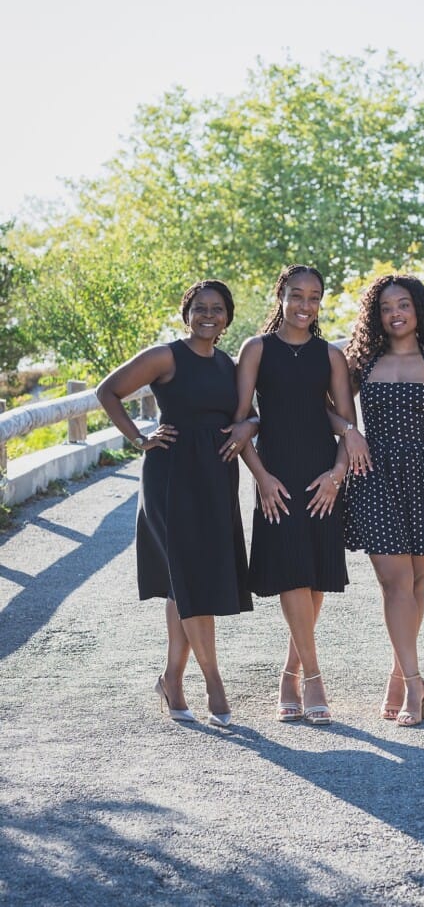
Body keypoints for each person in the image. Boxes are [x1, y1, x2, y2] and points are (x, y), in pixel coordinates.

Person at [96, 279, 252, 727]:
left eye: (217, 308)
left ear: (227, 316)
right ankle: (214, 684)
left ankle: (171, 680)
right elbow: (107, 391)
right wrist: (139, 437)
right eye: (200, 307)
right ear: (187, 313)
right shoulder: (166, 356)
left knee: (183, 582)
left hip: (217, 478)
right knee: (191, 578)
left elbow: (249, 411)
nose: (209, 314)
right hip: (171, 476)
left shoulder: (230, 364)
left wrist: (251, 427)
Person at [224, 265, 368, 725]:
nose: (305, 305)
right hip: (277, 475)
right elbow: (241, 422)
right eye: (296, 296)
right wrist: (261, 478)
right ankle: (314, 678)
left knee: (313, 575)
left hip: (321, 474)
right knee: (291, 572)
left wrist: (337, 475)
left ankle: (290, 673)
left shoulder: (331, 356)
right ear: (280, 296)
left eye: (315, 297)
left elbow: (346, 423)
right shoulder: (256, 349)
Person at [343, 274, 424, 727]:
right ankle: (417, 682)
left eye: (404, 305)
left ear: (419, 312)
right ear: (376, 317)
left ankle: (398, 673)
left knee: (414, 583)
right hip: (374, 476)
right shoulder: (363, 365)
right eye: (386, 307)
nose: (395, 314)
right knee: (394, 583)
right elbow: (331, 405)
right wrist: (350, 432)